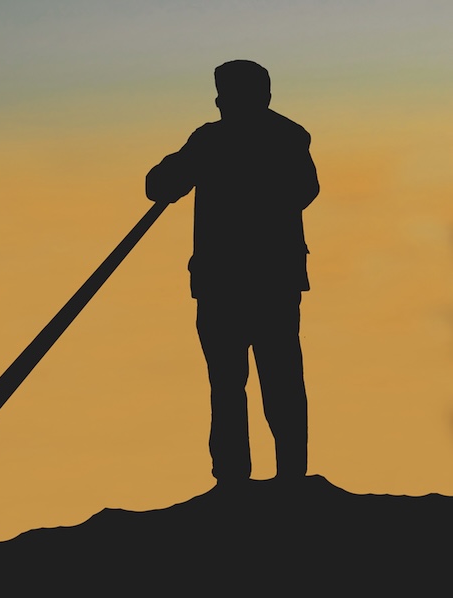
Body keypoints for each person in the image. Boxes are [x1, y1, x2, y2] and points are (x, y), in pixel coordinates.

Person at [146, 60, 319, 487]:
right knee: (253, 383)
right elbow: (160, 183)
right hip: (257, 282)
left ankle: (250, 481)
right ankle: (262, 479)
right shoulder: (277, 137)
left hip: (238, 282)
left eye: (225, 95)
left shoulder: (218, 141)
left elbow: (303, 191)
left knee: (242, 384)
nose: (221, 102)